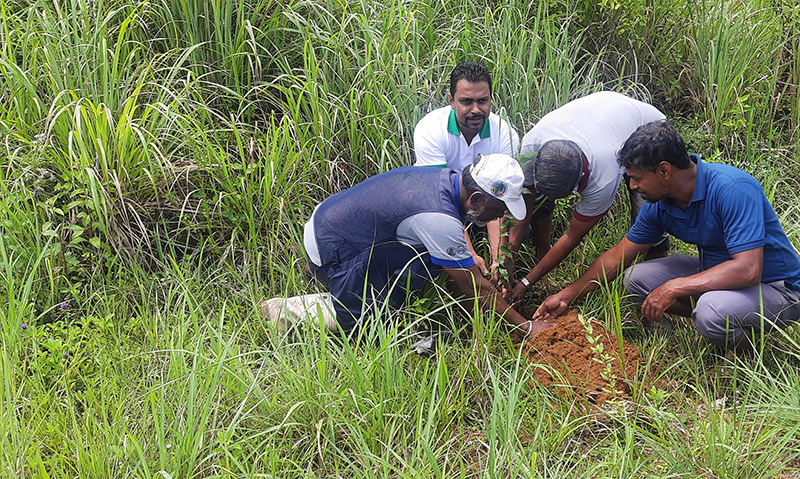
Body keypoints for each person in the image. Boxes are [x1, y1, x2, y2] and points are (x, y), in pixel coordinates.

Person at [533, 120, 800, 352]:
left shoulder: (732, 189)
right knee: (635, 279)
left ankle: (743, 349)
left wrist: (675, 287)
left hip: (776, 286)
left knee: (712, 310)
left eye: (637, 178)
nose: (632, 186)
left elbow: (748, 270)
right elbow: (617, 256)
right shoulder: (659, 204)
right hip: (717, 271)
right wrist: (567, 295)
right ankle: (708, 323)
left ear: (664, 170)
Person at [262, 154, 554, 336]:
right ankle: (288, 313)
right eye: (500, 207)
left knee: (437, 262)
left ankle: (369, 294)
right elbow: (476, 289)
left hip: (331, 224)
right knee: (369, 326)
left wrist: (468, 262)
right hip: (334, 249)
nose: (501, 215)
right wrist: (526, 327)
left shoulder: (444, 179)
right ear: (476, 200)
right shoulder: (440, 220)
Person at [495, 91, 668, 300]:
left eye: (559, 195)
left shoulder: (602, 179)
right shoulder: (532, 145)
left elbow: (571, 236)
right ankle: (542, 256)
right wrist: (507, 258)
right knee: (537, 200)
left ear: (581, 178)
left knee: (648, 218)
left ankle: (655, 290)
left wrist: (526, 282)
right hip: (603, 112)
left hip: (646, 129)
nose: (551, 201)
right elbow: (524, 204)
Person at [412, 61, 551, 273]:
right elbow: (439, 199)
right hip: (443, 207)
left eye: (482, 101)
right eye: (466, 102)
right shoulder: (430, 130)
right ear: (451, 100)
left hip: (484, 206)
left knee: (521, 232)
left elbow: (501, 195)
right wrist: (469, 256)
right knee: (438, 256)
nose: (476, 110)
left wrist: (498, 261)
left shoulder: (503, 133)